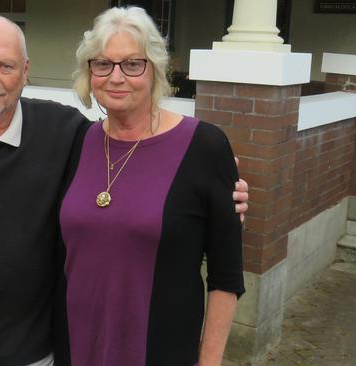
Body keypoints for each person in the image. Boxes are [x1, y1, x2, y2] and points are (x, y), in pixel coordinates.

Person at [0, 14, 249, 366]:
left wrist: (225, 198)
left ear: (25, 71)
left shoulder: (64, 134)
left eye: (6, 66)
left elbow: (219, 263)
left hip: (50, 356)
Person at [54, 7, 245, 366]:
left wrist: (209, 362)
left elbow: (227, 275)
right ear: (89, 72)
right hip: (75, 346)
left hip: (161, 350)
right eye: (103, 64)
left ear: (155, 68)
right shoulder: (78, 142)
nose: (116, 77)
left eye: (132, 64)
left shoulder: (204, 147)